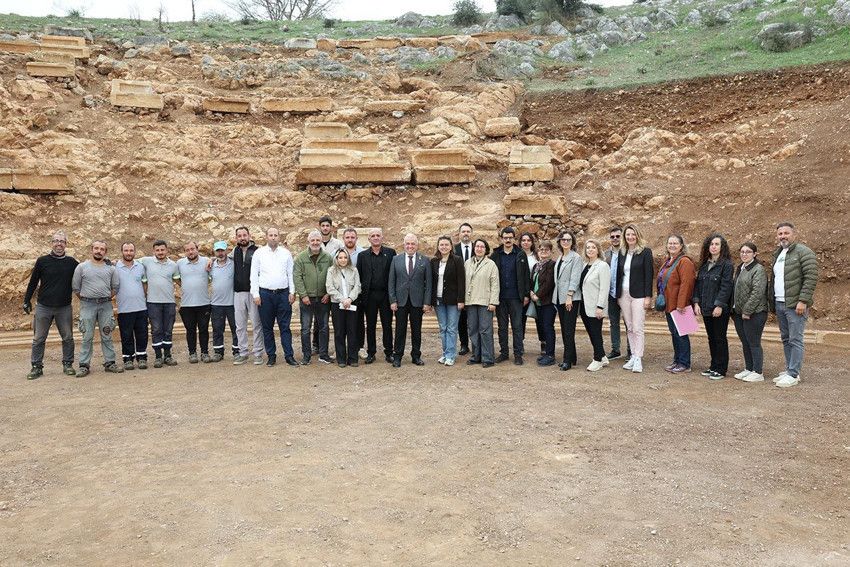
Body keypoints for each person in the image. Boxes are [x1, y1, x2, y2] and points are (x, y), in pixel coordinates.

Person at [23, 230, 79, 379]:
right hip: (44, 307)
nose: (59, 244)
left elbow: (86, 272)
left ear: (66, 244)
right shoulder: (42, 261)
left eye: (62, 241)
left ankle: (68, 364)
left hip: (64, 307)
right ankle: (36, 367)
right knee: (38, 338)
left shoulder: (72, 263)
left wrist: (106, 262)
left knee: (68, 337)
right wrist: (26, 300)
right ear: (52, 243)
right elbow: (33, 281)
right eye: (56, 241)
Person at [770, 222, 818, 388]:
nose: (783, 236)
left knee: (796, 339)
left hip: (795, 304)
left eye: (786, 233)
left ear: (794, 234)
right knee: (786, 338)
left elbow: (811, 277)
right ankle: (789, 369)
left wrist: (803, 301)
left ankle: (793, 373)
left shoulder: (804, 252)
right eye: (780, 234)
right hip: (780, 302)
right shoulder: (778, 253)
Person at [72, 240, 122, 377]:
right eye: (96, 248)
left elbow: (115, 287)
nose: (99, 251)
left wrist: (104, 297)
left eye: (102, 249)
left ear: (105, 252)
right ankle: (84, 365)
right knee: (87, 336)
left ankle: (110, 362)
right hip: (87, 305)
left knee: (107, 334)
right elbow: (76, 287)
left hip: (105, 305)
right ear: (91, 250)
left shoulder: (111, 269)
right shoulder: (82, 267)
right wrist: (87, 298)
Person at [250, 227, 298, 367]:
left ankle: (289, 355)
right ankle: (271, 356)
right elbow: (254, 274)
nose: (273, 237)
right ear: (266, 237)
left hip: (283, 294)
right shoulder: (259, 253)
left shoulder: (286, 253)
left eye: (275, 235)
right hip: (265, 295)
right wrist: (255, 294)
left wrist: (292, 292)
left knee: (285, 327)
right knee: (267, 327)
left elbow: (291, 273)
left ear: (279, 237)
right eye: (270, 235)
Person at [693, 233, 734, 380]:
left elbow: (726, 287)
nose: (714, 247)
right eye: (711, 244)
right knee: (711, 338)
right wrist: (696, 302)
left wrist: (719, 305)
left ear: (722, 247)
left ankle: (721, 369)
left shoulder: (727, 265)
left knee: (719, 338)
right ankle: (713, 366)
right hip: (705, 307)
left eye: (717, 244)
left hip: (719, 309)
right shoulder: (704, 265)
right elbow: (697, 285)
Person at [388, 233, 432, 367]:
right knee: (399, 330)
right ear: (404, 245)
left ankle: (416, 356)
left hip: (417, 302)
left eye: (413, 244)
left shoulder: (424, 260)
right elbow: (391, 281)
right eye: (408, 243)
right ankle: (397, 356)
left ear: (417, 245)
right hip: (400, 301)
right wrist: (392, 300)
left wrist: (427, 302)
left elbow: (429, 284)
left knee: (416, 330)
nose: (410, 246)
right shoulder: (396, 259)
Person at [615, 224, 654, 374]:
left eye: (633, 234)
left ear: (637, 235)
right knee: (630, 327)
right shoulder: (622, 252)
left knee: (638, 327)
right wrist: (618, 295)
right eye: (627, 235)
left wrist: (648, 296)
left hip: (639, 295)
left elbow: (649, 275)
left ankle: (638, 358)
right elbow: (619, 275)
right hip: (623, 295)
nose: (630, 237)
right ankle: (633, 355)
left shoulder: (645, 252)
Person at [491, 227, 531, 365]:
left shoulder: (520, 254)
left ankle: (518, 354)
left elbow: (526, 275)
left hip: (516, 297)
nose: (508, 240)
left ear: (514, 239)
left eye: (510, 237)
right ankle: (504, 353)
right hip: (500, 297)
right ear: (501, 239)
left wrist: (526, 294)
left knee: (517, 326)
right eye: (505, 237)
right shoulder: (495, 254)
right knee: (502, 327)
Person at [293, 230, 333, 365]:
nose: (315, 243)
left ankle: (323, 354)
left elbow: (332, 276)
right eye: (313, 240)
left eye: (318, 240)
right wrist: (303, 295)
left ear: (321, 241)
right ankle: (306, 355)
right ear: (308, 242)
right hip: (307, 300)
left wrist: (328, 293)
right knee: (305, 328)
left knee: (324, 327)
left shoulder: (328, 257)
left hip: (323, 299)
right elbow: (297, 277)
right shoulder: (301, 258)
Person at [357, 228, 396, 364]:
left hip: (386, 295)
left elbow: (394, 274)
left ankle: (389, 352)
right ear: (369, 239)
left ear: (382, 238)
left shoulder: (391, 253)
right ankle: (371, 353)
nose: (375, 237)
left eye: (378, 235)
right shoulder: (362, 256)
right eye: (372, 236)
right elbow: (359, 276)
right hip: (369, 296)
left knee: (387, 325)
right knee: (370, 325)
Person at [659, 235, 697, 374]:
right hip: (670, 304)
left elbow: (687, 284)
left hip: (680, 305)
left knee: (681, 334)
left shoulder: (685, 262)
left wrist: (681, 304)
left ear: (681, 246)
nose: (672, 245)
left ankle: (684, 363)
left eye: (675, 243)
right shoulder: (668, 261)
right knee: (674, 333)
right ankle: (677, 360)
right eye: (670, 243)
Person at [732, 242, 769, 383]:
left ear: (754, 254)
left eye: (748, 252)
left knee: (754, 342)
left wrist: (747, 310)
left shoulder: (758, 269)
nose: (744, 254)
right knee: (745, 341)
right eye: (742, 251)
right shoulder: (741, 268)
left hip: (755, 313)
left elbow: (757, 292)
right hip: (739, 313)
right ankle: (749, 368)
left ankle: (758, 372)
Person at [139, 240, 179, 368]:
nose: (160, 252)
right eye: (157, 250)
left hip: (169, 302)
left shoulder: (173, 265)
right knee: (156, 330)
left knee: (168, 330)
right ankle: (158, 357)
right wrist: (112, 262)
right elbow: (129, 261)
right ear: (153, 251)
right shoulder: (146, 261)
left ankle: (167, 355)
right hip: (153, 303)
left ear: (167, 250)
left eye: (162, 250)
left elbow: (179, 281)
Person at [430, 235, 466, 366]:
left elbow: (461, 281)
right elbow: (432, 282)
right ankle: (445, 353)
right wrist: (431, 300)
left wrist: (461, 300)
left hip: (453, 300)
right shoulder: (434, 261)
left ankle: (450, 355)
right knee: (443, 328)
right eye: (441, 245)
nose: (444, 247)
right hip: (438, 300)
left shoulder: (457, 260)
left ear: (451, 247)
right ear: (438, 247)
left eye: (446, 245)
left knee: (451, 328)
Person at [464, 239, 499, 368]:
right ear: (474, 248)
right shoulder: (467, 263)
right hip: (471, 301)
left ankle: (488, 358)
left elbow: (495, 284)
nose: (479, 249)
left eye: (482, 247)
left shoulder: (491, 264)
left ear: (486, 249)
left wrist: (493, 302)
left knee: (485, 330)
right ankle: (476, 356)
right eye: (477, 246)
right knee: (473, 330)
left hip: (485, 302)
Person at [577, 238, 611, 372]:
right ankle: (602, 356)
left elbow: (604, 288)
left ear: (598, 250)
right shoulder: (585, 265)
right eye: (588, 247)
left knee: (596, 333)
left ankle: (597, 360)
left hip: (596, 306)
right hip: (584, 305)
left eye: (593, 247)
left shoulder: (602, 266)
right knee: (591, 332)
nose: (590, 250)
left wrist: (600, 307)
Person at [232, 226, 264, 366]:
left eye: (244, 235)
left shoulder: (258, 251)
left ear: (249, 236)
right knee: (240, 326)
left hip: (253, 293)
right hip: (238, 293)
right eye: (239, 236)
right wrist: (212, 259)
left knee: (256, 324)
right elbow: (222, 258)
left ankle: (258, 353)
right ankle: (243, 353)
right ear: (236, 238)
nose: (242, 238)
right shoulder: (235, 251)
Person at [176, 241, 212, 364]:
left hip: (204, 303)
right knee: (190, 330)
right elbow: (176, 278)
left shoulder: (206, 261)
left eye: (192, 249)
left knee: (203, 329)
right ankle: (192, 353)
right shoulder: (179, 263)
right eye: (187, 250)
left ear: (197, 249)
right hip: (187, 304)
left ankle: (205, 352)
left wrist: (212, 259)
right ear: (184, 252)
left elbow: (217, 262)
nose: (190, 252)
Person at [115, 241, 148, 371]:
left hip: (141, 308)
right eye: (126, 250)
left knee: (142, 334)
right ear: (122, 252)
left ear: (135, 252)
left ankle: (142, 357)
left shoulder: (140, 267)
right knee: (126, 335)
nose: (128, 253)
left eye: (131, 250)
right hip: (124, 309)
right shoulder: (115, 267)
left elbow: (145, 284)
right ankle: (128, 359)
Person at [326, 249, 362, 367]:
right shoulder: (331, 271)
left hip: (351, 304)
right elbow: (330, 288)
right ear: (336, 259)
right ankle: (341, 359)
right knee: (339, 332)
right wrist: (342, 299)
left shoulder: (354, 270)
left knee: (352, 331)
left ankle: (353, 358)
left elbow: (357, 286)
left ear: (348, 258)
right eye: (340, 257)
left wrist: (350, 299)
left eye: (345, 257)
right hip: (337, 305)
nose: (343, 260)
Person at [553, 230, 583, 371]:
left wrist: (569, 296)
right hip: (560, 297)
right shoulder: (560, 257)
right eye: (563, 239)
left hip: (570, 298)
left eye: (568, 240)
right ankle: (572, 357)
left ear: (572, 242)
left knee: (569, 330)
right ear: (559, 242)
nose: (565, 242)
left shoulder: (576, 257)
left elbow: (575, 278)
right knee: (565, 328)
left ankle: (567, 360)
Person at [210, 240, 239, 363]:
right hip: (216, 304)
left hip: (232, 303)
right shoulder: (211, 265)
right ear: (214, 252)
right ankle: (218, 352)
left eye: (222, 250)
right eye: (218, 251)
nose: (220, 253)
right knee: (217, 329)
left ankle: (237, 351)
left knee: (235, 328)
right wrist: (210, 260)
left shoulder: (234, 263)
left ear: (227, 251)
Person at [529, 241, 556, 367]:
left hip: (547, 302)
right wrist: (530, 292)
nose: (543, 252)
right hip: (537, 302)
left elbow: (549, 283)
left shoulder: (552, 265)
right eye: (541, 249)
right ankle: (545, 353)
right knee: (541, 327)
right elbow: (532, 280)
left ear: (550, 252)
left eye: (546, 250)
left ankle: (550, 355)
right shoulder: (536, 265)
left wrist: (537, 295)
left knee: (548, 327)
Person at [604, 226, 628, 360]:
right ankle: (615, 349)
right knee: (613, 322)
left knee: (628, 322)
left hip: (625, 293)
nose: (615, 239)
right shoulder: (606, 254)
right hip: (611, 293)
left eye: (617, 236)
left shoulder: (627, 253)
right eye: (612, 237)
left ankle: (631, 350)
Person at [519, 232, 545, 354]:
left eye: (528, 240)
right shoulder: (517, 255)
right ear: (520, 242)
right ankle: (520, 343)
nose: (526, 242)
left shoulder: (537, 256)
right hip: (523, 293)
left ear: (532, 242)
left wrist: (535, 293)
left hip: (536, 292)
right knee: (520, 319)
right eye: (523, 240)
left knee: (540, 319)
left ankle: (543, 343)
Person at [453, 222, 474, 355]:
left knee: (474, 319)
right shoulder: (454, 249)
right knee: (461, 319)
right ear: (459, 234)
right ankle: (464, 345)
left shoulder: (478, 247)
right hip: (458, 290)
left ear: (471, 233)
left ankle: (476, 345)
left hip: (474, 289)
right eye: (463, 231)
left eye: (468, 231)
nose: (466, 234)